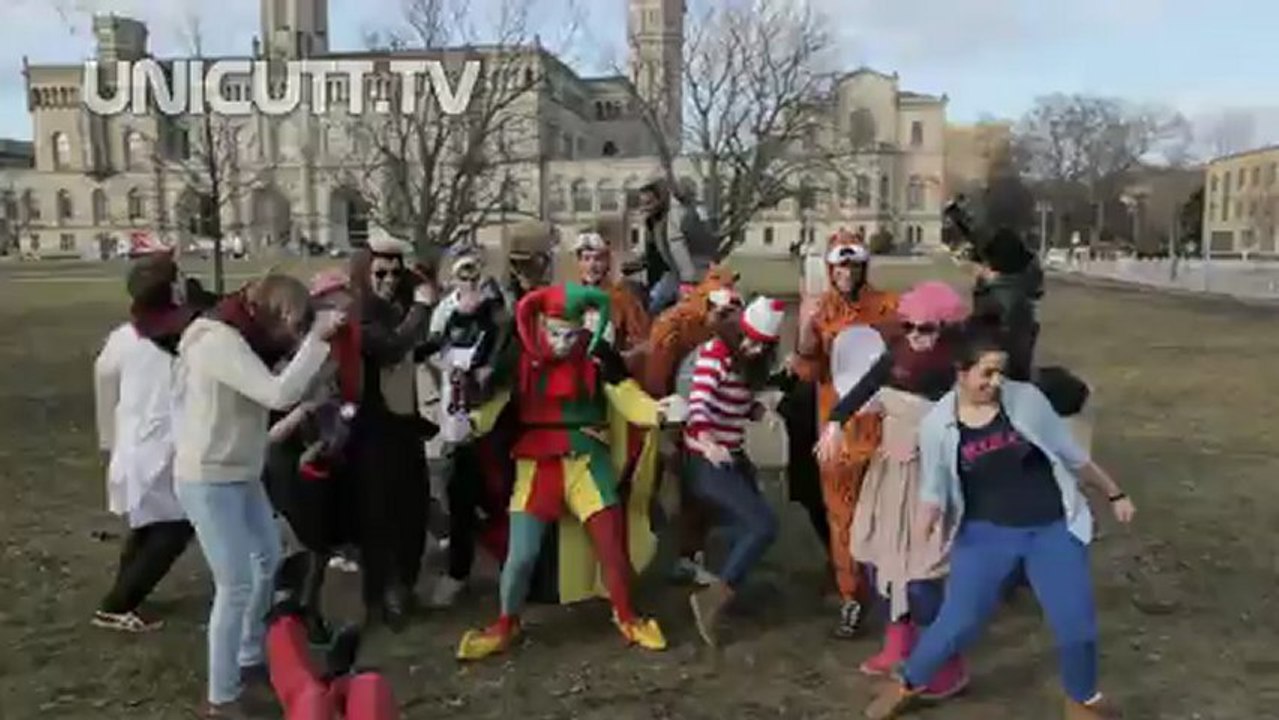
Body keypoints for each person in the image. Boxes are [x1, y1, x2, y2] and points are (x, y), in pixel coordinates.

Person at [865, 323, 1136, 720]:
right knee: (957, 623)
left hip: (1052, 529)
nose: (996, 382)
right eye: (986, 373)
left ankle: (1082, 700)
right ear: (961, 372)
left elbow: (1070, 454)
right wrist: (923, 532)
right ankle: (908, 681)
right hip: (986, 535)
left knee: (1076, 627)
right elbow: (934, 488)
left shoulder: (1025, 401)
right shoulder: (938, 425)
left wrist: (1114, 492)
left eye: (1001, 372)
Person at [455, 283, 679, 661]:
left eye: (571, 333)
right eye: (555, 332)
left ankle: (626, 615)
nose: (562, 342)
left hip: (588, 463)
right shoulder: (520, 354)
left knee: (611, 544)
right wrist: (474, 421)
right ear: (540, 324)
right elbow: (495, 401)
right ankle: (506, 622)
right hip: (536, 465)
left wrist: (657, 412)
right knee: (521, 554)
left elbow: (624, 394)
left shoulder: (595, 353)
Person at [174, 273, 346, 719]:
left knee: (268, 558)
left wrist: (319, 354)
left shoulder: (242, 339)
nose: (292, 332)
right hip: (208, 478)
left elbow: (283, 387)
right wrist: (319, 340)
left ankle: (249, 657)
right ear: (267, 312)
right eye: (289, 321)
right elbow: (278, 393)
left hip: (240, 472)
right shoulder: (217, 342)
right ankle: (221, 696)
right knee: (235, 583)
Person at [816, 281, 971, 697]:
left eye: (926, 329)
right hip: (889, 475)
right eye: (909, 327)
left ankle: (946, 662)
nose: (916, 336)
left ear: (947, 328)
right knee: (878, 564)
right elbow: (861, 390)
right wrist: (835, 424)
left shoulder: (959, 369)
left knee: (922, 578)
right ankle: (897, 644)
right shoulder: (897, 356)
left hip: (929, 480)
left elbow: (973, 426)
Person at [787, 229, 898, 638]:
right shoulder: (822, 312)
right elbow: (808, 371)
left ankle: (892, 593)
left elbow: (908, 354)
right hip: (837, 429)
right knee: (842, 515)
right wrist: (804, 327)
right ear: (829, 269)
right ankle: (851, 596)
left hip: (884, 424)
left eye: (853, 264)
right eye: (839, 265)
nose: (846, 273)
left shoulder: (888, 307)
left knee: (888, 511)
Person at [91, 252, 203, 632]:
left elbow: (104, 381)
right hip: (162, 448)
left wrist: (109, 439)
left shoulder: (123, 338)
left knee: (147, 523)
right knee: (175, 526)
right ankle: (119, 602)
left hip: (138, 447)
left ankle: (124, 592)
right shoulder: (177, 339)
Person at [261, 268, 363, 643]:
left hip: (318, 453)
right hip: (285, 459)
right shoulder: (265, 359)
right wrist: (306, 409)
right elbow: (267, 436)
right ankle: (280, 613)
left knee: (318, 542)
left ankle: (308, 610)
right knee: (293, 543)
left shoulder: (315, 349)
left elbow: (333, 398)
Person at [683, 296, 786, 646]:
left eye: (762, 345)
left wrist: (762, 414)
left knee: (747, 526)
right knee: (762, 525)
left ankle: (727, 585)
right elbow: (699, 404)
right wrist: (707, 442)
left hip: (733, 455)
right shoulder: (716, 353)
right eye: (749, 339)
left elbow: (739, 402)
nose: (753, 348)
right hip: (705, 456)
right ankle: (713, 600)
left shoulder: (748, 363)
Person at [348, 237, 439, 630]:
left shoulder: (395, 307)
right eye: (380, 273)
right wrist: (422, 307)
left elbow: (404, 350)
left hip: (403, 424)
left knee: (413, 510)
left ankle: (404, 586)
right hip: (373, 430)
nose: (388, 280)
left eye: (395, 273)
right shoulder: (361, 312)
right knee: (378, 516)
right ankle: (380, 597)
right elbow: (387, 348)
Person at [426, 247, 512, 609]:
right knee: (459, 491)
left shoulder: (498, 307)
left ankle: (512, 565)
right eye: (462, 274)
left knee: (502, 491)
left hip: (496, 412)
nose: (469, 280)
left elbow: (506, 347)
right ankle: (458, 572)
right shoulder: (445, 310)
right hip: (458, 412)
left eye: (474, 273)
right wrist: (451, 369)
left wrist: (490, 371)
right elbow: (432, 349)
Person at [971, 228, 1044, 382]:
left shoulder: (994, 298)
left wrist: (982, 284)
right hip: (1018, 375)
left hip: (999, 379)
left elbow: (981, 343)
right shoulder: (1021, 291)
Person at [636, 177, 718, 315]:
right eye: (642, 203)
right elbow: (653, 253)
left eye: (649, 203)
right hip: (664, 274)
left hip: (682, 274)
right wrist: (638, 264)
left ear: (660, 200)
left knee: (658, 306)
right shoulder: (652, 222)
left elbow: (680, 249)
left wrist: (688, 280)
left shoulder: (671, 219)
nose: (645, 207)